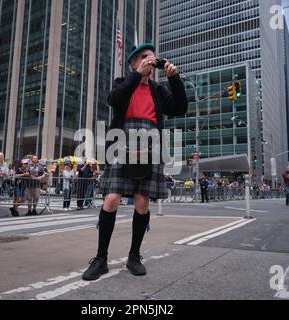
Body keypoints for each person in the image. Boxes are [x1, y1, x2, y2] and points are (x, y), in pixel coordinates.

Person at [82, 43, 188, 281]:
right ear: (133, 63)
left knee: (142, 201)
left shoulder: (159, 90)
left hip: (150, 143)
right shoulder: (122, 83)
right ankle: (100, 259)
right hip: (121, 141)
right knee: (111, 198)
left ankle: (134, 256)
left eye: (152, 58)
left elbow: (180, 108)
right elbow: (115, 101)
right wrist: (136, 75)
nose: (150, 61)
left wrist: (175, 79)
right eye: (144, 58)